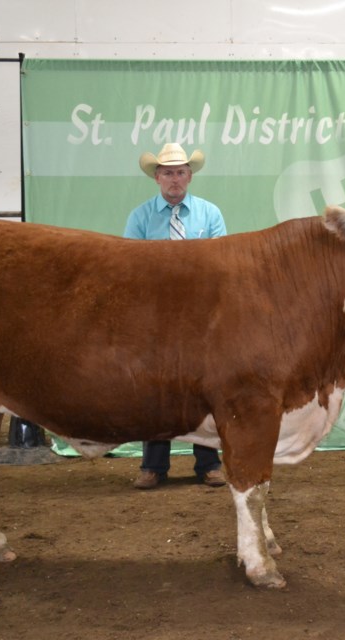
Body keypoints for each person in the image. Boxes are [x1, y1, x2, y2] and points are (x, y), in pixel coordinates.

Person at [127, 142, 227, 490]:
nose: (175, 178)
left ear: (189, 176)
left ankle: (209, 463)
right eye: (168, 172)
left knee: (205, 387)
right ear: (157, 177)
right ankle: (153, 465)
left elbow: (220, 266)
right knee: (157, 389)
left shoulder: (210, 214)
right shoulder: (140, 217)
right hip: (157, 315)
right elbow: (131, 269)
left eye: (181, 172)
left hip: (200, 314)